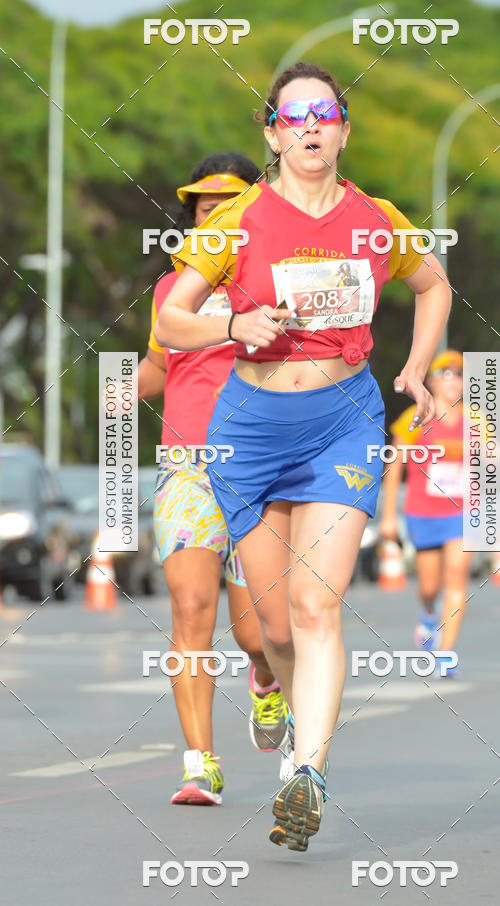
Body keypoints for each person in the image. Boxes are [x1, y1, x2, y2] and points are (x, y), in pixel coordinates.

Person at [155, 62, 451, 849]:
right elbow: (172, 326)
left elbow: (433, 284)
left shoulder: (375, 218)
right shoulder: (236, 222)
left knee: (320, 606)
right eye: (295, 117)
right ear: (273, 134)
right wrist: (230, 328)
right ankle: (279, 696)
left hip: (343, 420)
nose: (311, 127)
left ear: (343, 130)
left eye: (325, 113)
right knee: (274, 625)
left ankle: (308, 772)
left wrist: (416, 368)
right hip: (249, 426)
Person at [138, 152, 289, 807]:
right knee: (190, 610)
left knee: (259, 633)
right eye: (203, 208)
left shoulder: (277, 277)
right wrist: (117, 387)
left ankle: (264, 677)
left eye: (225, 207)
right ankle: (200, 764)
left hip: (261, 465)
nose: (212, 216)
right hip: (188, 467)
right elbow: (156, 370)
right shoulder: (172, 289)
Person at [380, 350, 467, 675]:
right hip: (422, 512)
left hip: (461, 513)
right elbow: (394, 465)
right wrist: (389, 515)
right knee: (429, 586)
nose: (453, 382)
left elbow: (493, 459)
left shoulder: (475, 421)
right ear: (431, 381)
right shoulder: (416, 418)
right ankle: (429, 615)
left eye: (458, 375)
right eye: (445, 375)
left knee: (456, 576)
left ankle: (446, 654)